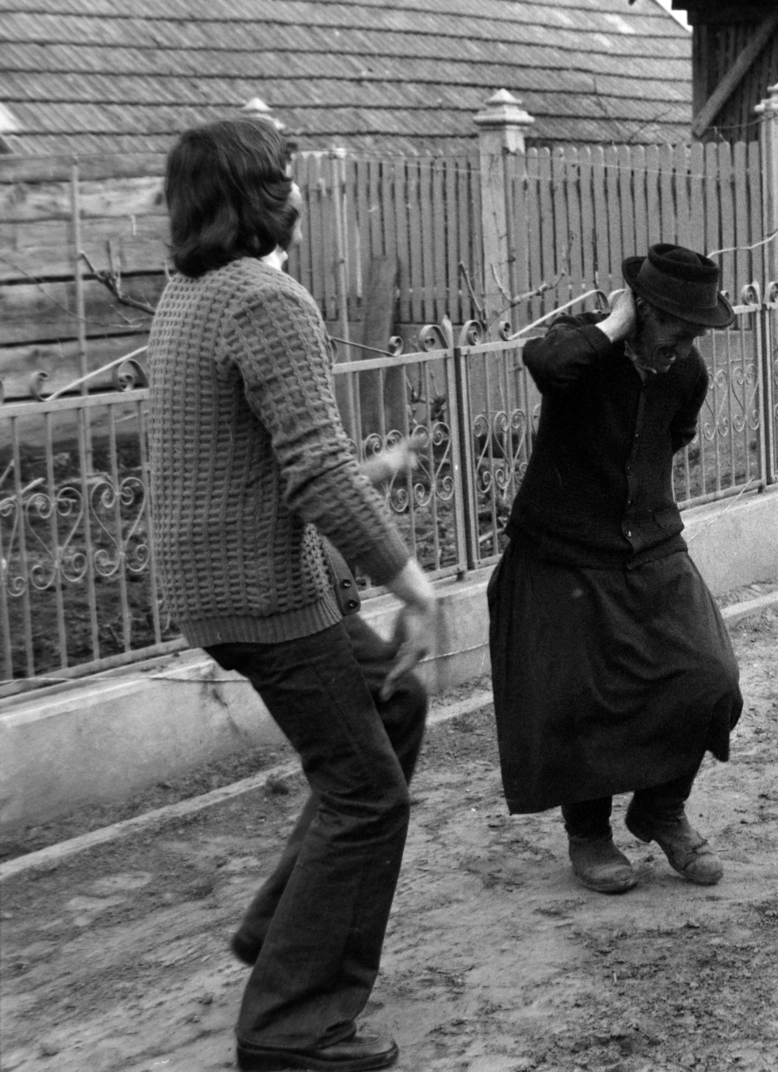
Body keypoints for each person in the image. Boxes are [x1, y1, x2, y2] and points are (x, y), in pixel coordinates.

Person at [146, 117, 440, 1072]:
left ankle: (280, 933)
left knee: (394, 697)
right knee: (367, 796)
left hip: (220, 581)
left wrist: (377, 466)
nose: (304, 191)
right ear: (271, 199)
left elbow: (258, 456)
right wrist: (415, 585)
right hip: (264, 599)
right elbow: (312, 475)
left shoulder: (188, 294)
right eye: (291, 176)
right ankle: (289, 1025)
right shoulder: (269, 300)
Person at [489, 243, 743, 895]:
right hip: (563, 551)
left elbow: (674, 436)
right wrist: (613, 329)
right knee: (583, 695)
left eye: (697, 332)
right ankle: (589, 834)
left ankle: (660, 808)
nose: (687, 342)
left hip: (651, 544)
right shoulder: (582, 348)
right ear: (642, 311)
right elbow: (544, 364)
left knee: (709, 674)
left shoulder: (685, 371)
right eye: (677, 326)